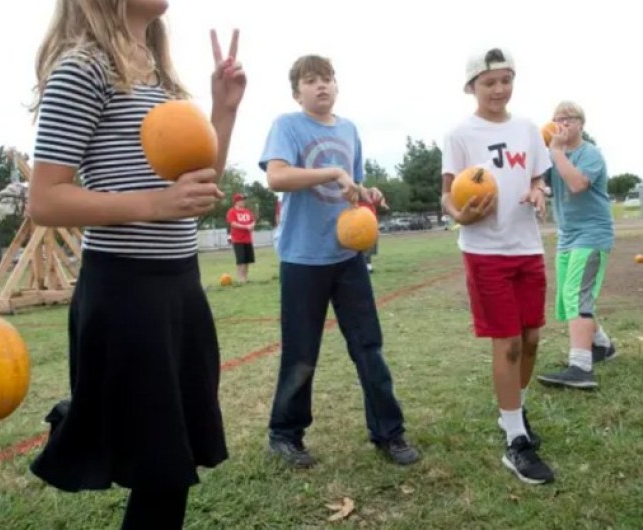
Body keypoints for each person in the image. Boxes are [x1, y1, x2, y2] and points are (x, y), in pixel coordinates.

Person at [24, 0, 246, 528]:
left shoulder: (158, 75)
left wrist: (224, 109)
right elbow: (46, 200)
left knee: (173, 460)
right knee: (161, 470)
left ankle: (84, 414)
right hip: (126, 290)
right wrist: (154, 204)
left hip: (180, 285)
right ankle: (82, 417)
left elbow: (199, 187)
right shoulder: (84, 67)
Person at [260, 54, 419, 469]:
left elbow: (354, 186)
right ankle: (285, 435)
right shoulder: (287, 126)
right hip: (301, 259)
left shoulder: (349, 130)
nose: (321, 86)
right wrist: (331, 172)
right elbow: (276, 177)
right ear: (297, 92)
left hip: (348, 257)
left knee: (369, 348)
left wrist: (369, 196)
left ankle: (389, 432)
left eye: (327, 78)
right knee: (301, 352)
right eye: (311, 81)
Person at [440, 47, 554, 484]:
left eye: (506, 80)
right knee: (506, 344)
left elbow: (537, 177)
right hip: (486, 251)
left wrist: (540, 190)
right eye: (489, 82)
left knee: (531, 340)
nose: (499, 89)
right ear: (473, 87)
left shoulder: (528, 129)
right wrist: (459, 214)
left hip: (527, 247)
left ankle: (515, 411)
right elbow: (447, 195)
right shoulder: (459, 134)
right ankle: (514, 441)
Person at [536, 101, 617, 390]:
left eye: (568, 119)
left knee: (576, 295)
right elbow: (542, 183)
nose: (562, 124)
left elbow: (577, 184)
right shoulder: (552, 156)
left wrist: (556, 151)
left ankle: (581, 367)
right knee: (567, 298)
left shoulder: (590, 153)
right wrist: (536, 190)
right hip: (567, 236)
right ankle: (602, 346)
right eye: (557, 119)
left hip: (592, 234)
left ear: (581, 123)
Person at [226, 193, 256, 282]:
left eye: (244, 199)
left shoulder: (247, 211)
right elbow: (233, 223)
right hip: (238, 239)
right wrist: (246, 227)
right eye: (242, 200)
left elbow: (253, 221)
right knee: (241, 260)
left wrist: (252, 225)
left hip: (248, 239)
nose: (244, 201)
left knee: (247, 260)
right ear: (237, 201)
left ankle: (245, 278)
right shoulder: (232, 211)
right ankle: (240, 278)